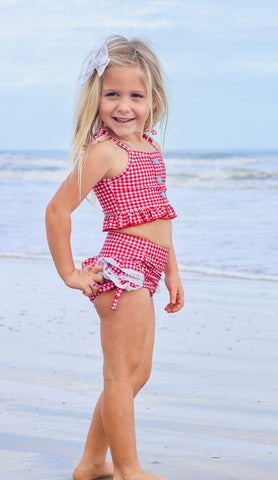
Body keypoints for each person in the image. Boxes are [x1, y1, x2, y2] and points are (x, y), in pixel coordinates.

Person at [45, 35, 184, 480]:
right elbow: (56, 209)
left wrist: (171, 272)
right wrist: (69, 272)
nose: (124, 107)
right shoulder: (106, 152)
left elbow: (160, 215)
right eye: (112, 94)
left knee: (136, 374)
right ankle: (128, 469)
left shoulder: (151, 149)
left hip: (149, 268)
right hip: (122, 270)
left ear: (153, 101)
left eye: (135, 96)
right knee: (120, 377)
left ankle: (90, 463)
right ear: (97, 98)